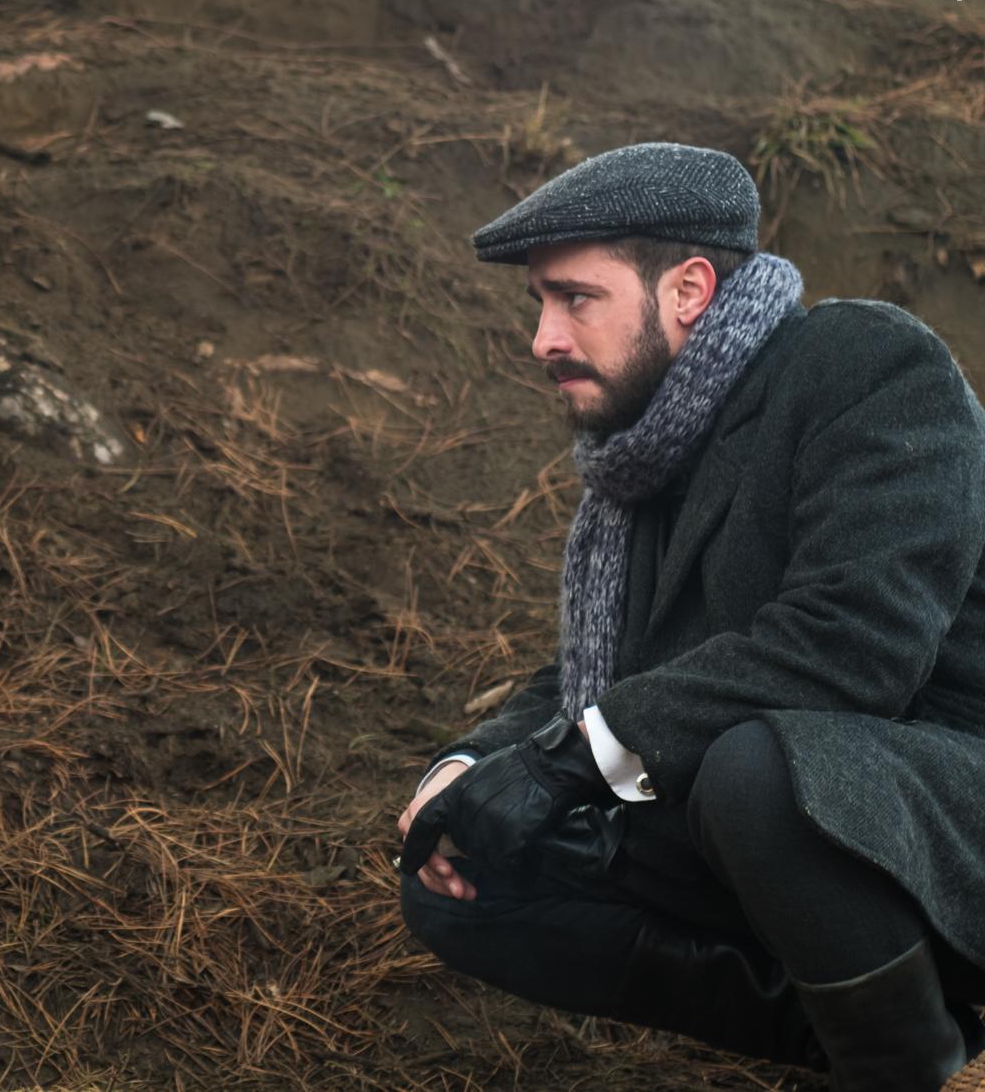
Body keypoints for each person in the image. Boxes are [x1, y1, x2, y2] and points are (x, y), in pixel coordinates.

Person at [395, 142, 985, 1091]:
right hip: (768, 817)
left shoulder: (863, 365)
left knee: (754, 771)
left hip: (934, 812)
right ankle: (886, 1032)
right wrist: (473, 771)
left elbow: (854, 643)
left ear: (689, 289)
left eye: (575, 298)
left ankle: (899, 1066)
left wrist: (564, 764)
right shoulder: (648, 453)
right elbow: (596, 675)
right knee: (470, 879)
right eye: (539, 303)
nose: (543, 337)